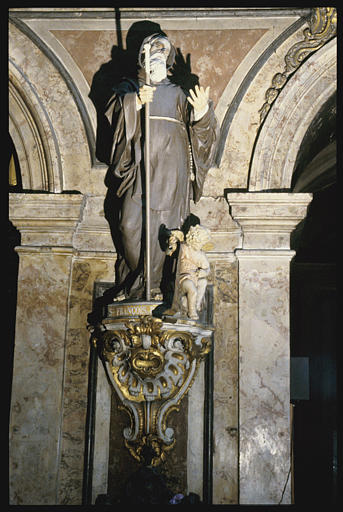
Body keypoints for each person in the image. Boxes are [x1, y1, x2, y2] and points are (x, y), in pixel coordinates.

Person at [102, 31, 218, 300]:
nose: (158, 53)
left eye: (163, 50)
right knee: (128, 225)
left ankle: (155, 285)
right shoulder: (128, 87)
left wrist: (201, 114)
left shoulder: (179, 92)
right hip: (140, 166)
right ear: (142, 54)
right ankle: (136, 278)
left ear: (169, 58)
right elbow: (113, 116)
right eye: (153, 47)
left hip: (170, 168)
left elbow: (203, 132)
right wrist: (135, 103)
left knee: (166, 228)